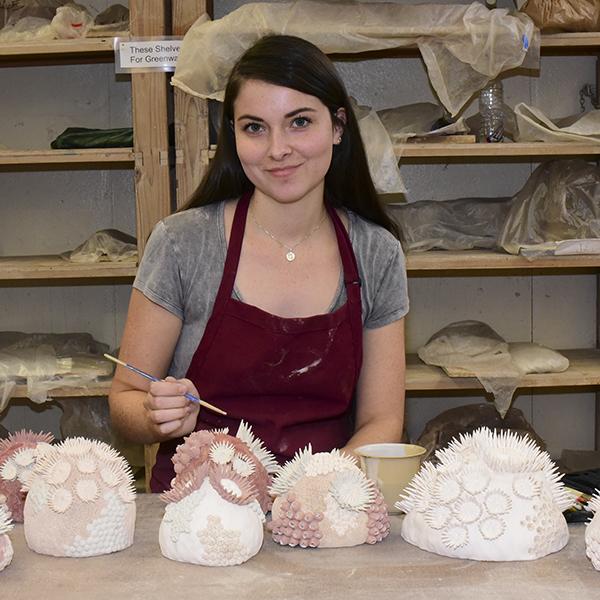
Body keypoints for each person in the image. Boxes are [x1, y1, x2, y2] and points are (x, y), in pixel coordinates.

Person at [108, 34, 409, 493]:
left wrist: (310, 487)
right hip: (197, 505)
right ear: (233, 134)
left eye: (300, 122)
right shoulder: (182, 243)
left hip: (324, 502)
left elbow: (382, 420)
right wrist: (155, 415)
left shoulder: (377, 253)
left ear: (338, 127)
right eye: (255, 127)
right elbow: (125, 401)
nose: (277, 149)